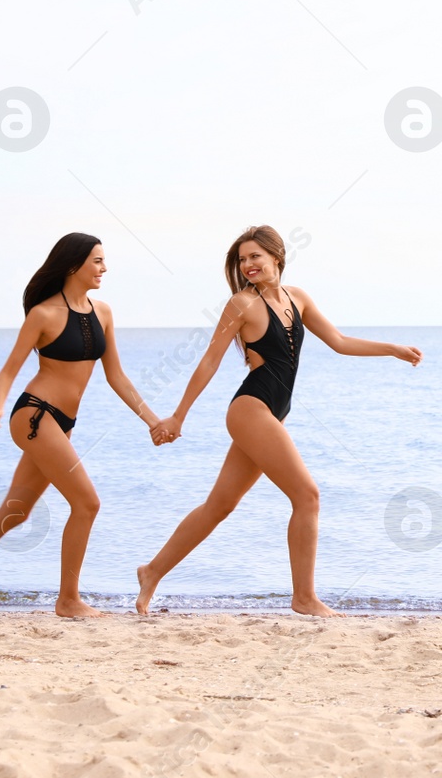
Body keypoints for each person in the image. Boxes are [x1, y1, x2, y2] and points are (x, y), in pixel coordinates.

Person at [135, 225, 421, 617]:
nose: (248, 264)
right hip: (250, 408)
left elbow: (338, 341)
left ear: (277, 257)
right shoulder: (240, 304)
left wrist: (392, 349)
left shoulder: (298, 298)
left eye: (255, 256)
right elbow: (210, 360)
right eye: (242, 259)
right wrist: (179, 415)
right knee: (308, 495)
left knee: (219, 505)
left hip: (273, 413)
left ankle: (151, 572)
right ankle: (304, 598)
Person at [0, 233, 168, 617]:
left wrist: (152, 420)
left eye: (104, 261)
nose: (104, 268)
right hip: (35, 415)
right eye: (97, 261)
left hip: (63, 422)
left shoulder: (103, 312)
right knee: (87, 503)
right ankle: (68, 600)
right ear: (73, 265)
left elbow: (117, 377)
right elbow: (8, 372)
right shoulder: (43, 315)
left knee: (16, 510)